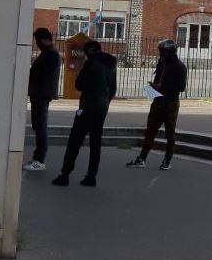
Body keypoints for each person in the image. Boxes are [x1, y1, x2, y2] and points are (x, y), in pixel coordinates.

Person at [53, 40, 117, 187]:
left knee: (75, 140)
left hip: (87, 107)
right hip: (102, 108)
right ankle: (91, 176)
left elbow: (79, 85)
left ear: (90, 50)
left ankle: (65, 175)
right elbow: (113, 89)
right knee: (96, 143)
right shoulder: (111, 64)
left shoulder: (91, 63)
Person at [127, 39, 188, 171]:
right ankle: (142, 158)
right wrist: (153, 88)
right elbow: (157, 81)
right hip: (157, 102)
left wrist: (162, 86)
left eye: (164, 52)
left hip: (170, 103)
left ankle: (167, 160)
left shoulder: (180, 67)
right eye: (160, 52)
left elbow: (181, 87)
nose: (161, 55)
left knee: (170, 134)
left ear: (171, 52)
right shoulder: (161, 65)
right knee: (150, 132)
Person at [24, 28, 60, 172]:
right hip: (40, 93)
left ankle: (39, 159)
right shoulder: (48, 53)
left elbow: (39, 74)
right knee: (38, 125)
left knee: (40, 126)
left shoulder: (51, 54)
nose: (37, 44)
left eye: (38, 41)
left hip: (41, 94)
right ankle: (38, 158)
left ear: (45, 39)